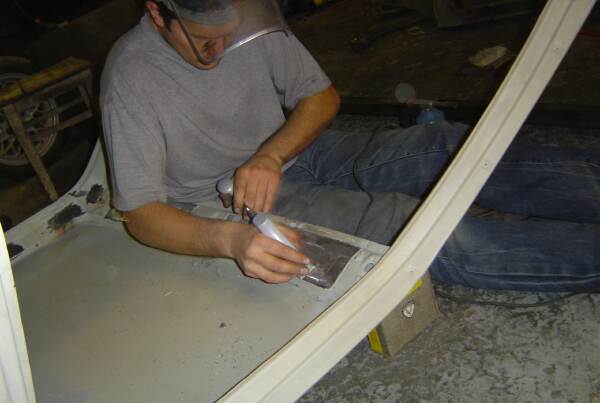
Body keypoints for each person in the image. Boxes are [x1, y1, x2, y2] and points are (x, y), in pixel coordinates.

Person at [101, 0, 600, 292]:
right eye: (208, 42)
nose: (225, 47)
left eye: (231, 34)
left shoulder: (249, 20)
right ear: (158, 12)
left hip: (290, 153)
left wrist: (271, 155)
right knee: (410, 227)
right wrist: (231, 242)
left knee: (444, 147)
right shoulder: (131, 75)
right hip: (229, 200)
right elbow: (141, 215)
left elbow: (320, 97)